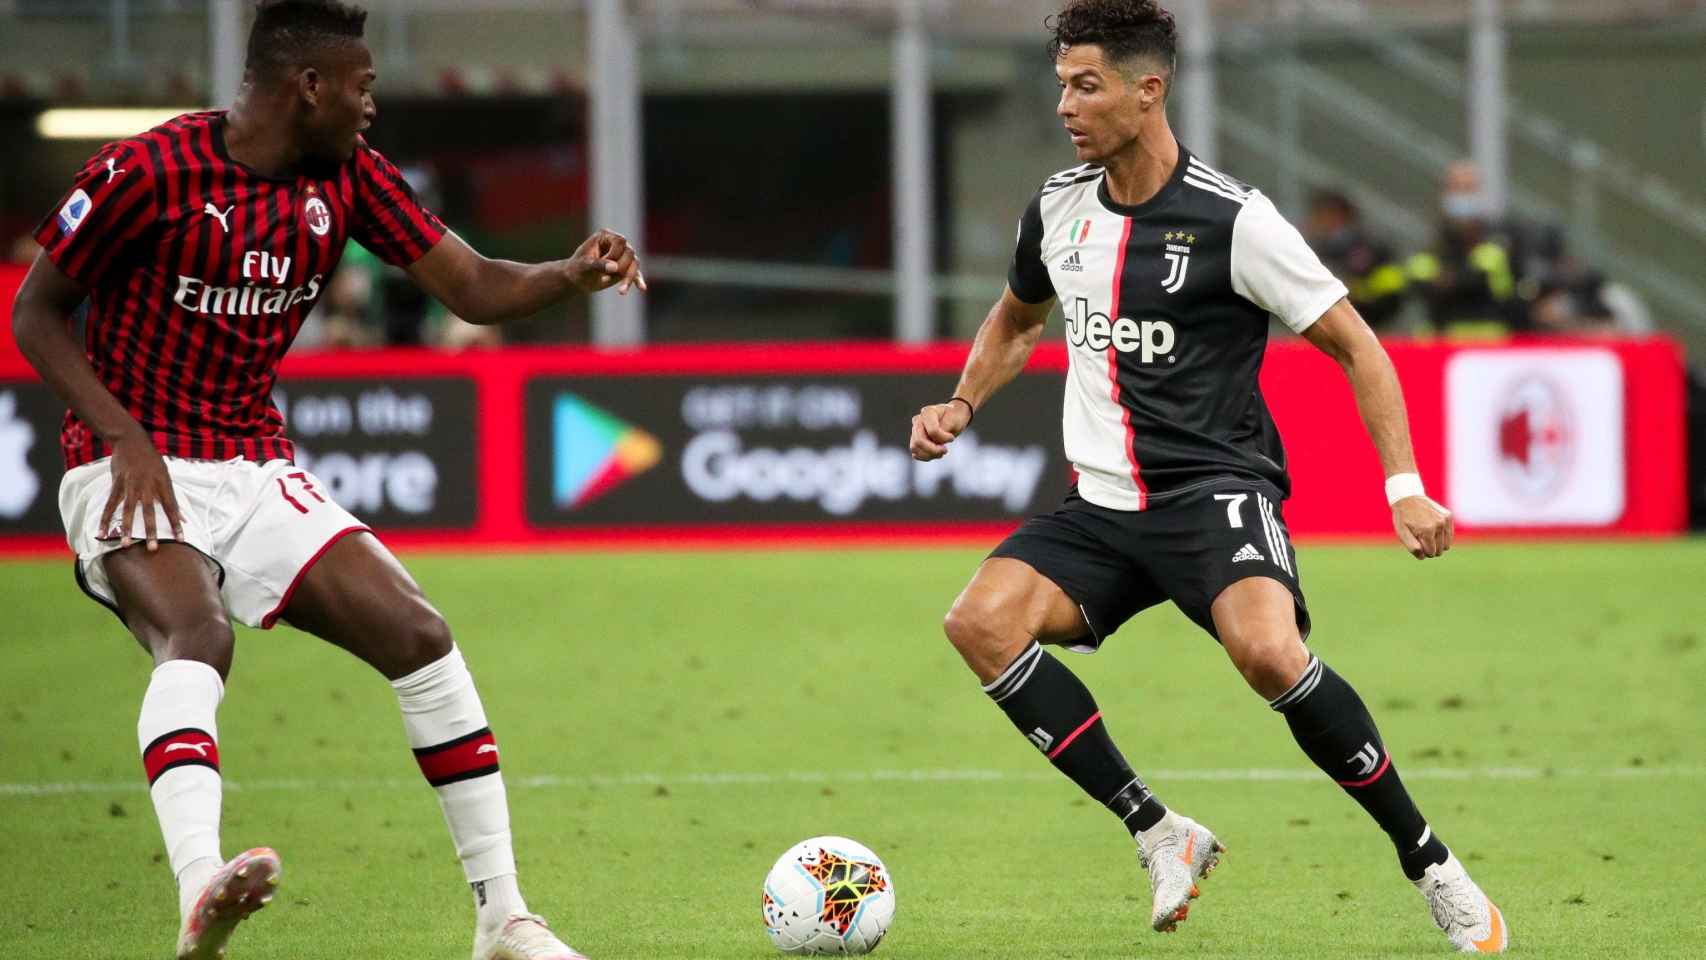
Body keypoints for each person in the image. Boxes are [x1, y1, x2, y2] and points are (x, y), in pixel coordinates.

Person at [10, 3, 643, 958]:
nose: (371, 106)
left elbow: (470, 286)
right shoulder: (149, 171)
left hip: (252, 464)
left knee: (422, 637)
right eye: (364, 86)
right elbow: (36, 314)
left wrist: (567, 273)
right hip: (125, 464)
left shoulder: (349, 178)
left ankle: (503, 918)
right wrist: (121, 436)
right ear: (310, 87)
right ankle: (196, 895)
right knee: (198, 633)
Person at [908, 2, 1507, 953]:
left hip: (1212, 494)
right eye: (1061, 82)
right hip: (1101, 508)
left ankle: (1430, 861)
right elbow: (1017, 322)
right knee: (978, 623)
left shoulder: (1236, 220)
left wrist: (1403, 487)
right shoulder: (1057, 207)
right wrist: (962, 403)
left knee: (1269, 655)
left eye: (1087, 84)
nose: (1065, 103)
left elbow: (1357, 347)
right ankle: (1159, 830)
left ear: (1150, 92)